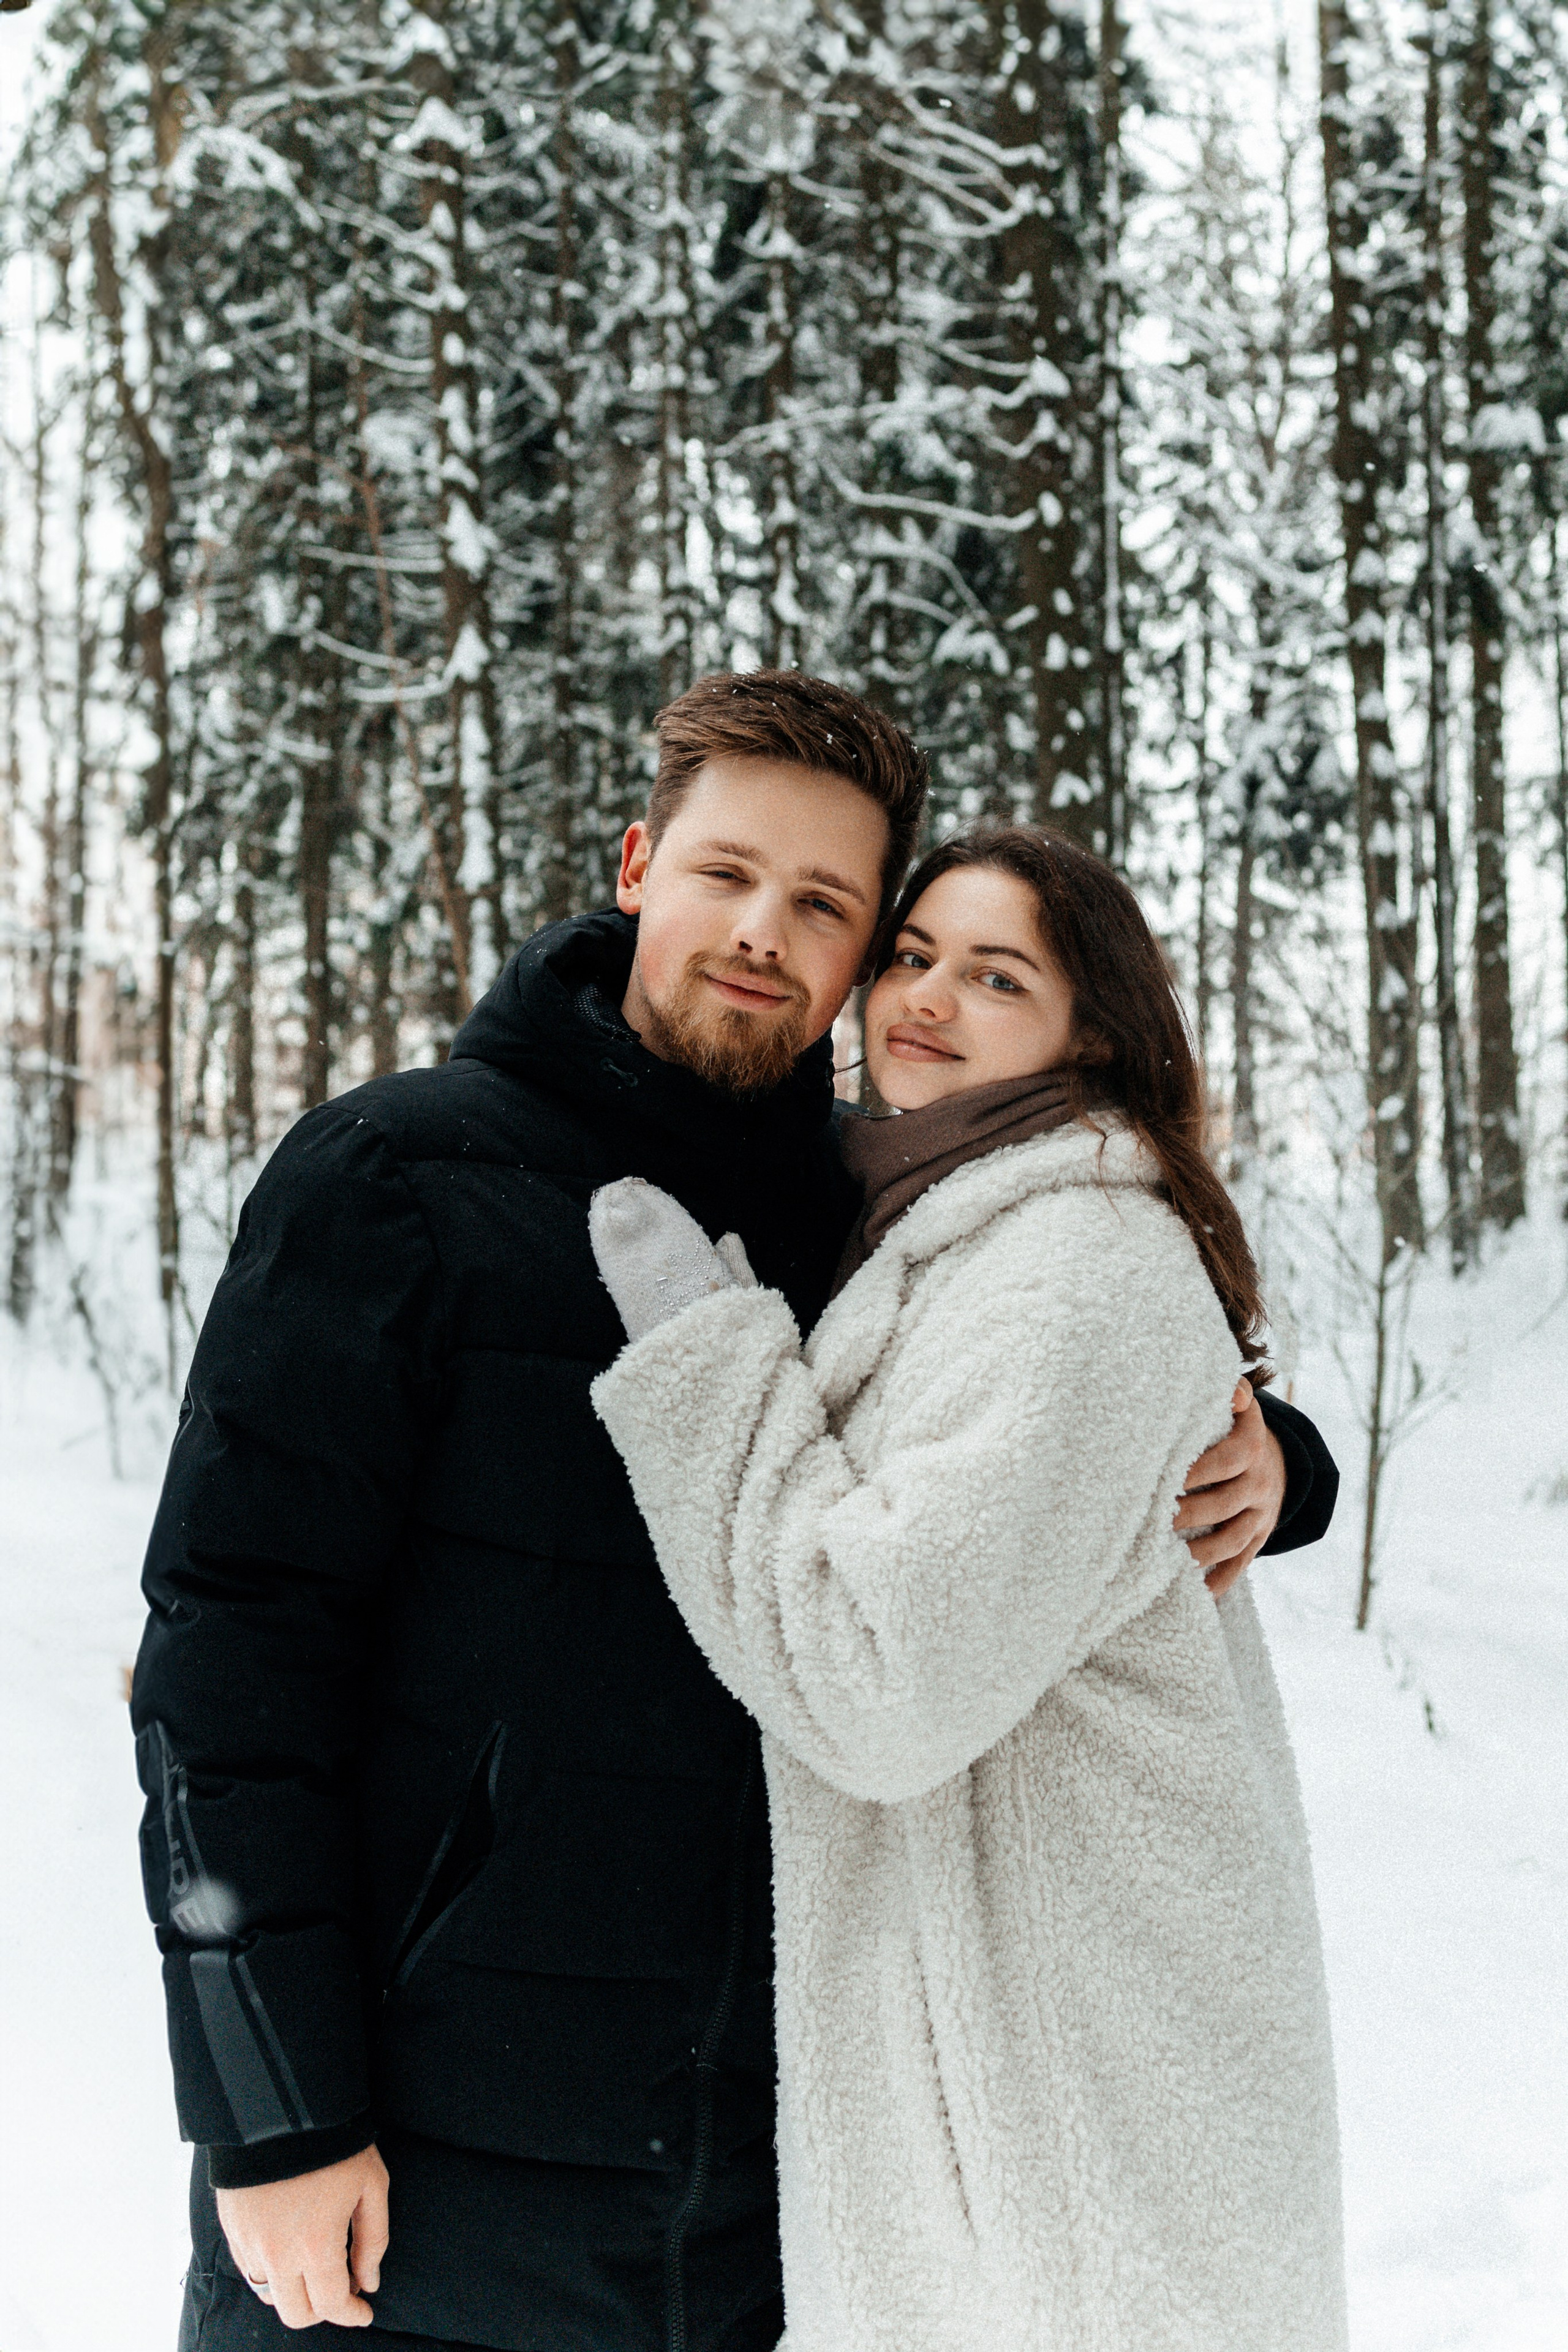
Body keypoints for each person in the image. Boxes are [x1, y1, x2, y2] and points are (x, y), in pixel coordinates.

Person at [131, 673, 1338, 2351]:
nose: (768, 929)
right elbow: (227, 1668)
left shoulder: (863, 1221)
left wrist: (1270, 1460)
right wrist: (272, 2111)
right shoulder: (395, 1178)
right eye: (728, 872)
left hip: (773, 2217)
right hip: (416, 2195)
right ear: (638, 863)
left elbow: (1035, 1424)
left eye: (829, 904)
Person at [587, 825, 1346, 2352]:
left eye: (995, 977)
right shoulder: (926, 1224)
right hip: (1012, 2072)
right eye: (913, 957)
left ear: (1093, 1037)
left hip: (1075, 2110)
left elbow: (876, 1683)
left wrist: (710, 1367)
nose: (924, 999)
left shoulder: (1073, 1262)